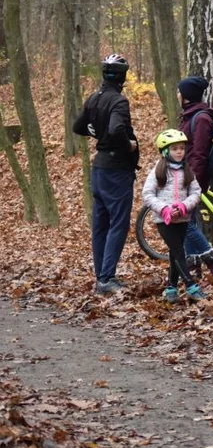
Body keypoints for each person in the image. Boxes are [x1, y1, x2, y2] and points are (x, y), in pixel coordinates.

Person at [73, 54, 140, 295]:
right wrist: (129, 145)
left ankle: (101, 275)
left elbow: (78, 126)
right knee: (117, 224)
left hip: (99, 169)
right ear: (122, 76)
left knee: (100, 224)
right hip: (116, 169)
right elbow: (116, 129)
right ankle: (107, 277)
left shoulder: (94, 98)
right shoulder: (118, 102)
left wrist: (96, 132)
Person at [141, 130, 207, 303]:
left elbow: (196, 192)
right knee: (179, 251)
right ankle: (191, 285)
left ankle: (171, 288)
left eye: (181, 148)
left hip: (183, 218)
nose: (179, 152)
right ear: (165, 152)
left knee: (174, 253)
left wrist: (184, 206)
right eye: (175, 149)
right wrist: (164, 209)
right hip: (165, 220)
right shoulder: (158, 170)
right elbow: (147, 194)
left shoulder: (187, 170)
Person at [176, 76, 213, 277]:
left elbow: (199, 153)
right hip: (185, 176)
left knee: (186, 223)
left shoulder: (201, 118)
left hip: (193, 178)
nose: (177, 95)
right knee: (190, 222)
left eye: (179, 92)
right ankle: (193, 267)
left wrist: (192, 180)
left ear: (186, 96)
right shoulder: (189, 116)